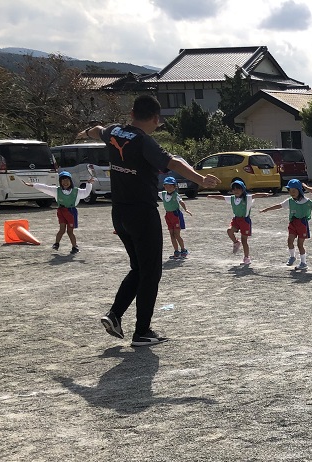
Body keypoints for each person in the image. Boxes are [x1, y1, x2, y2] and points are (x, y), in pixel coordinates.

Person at [79, 94, 218, 346]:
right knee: (151, 272)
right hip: (142, 213)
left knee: (139, 268)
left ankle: (114, 315)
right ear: (156, 119)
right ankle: (142, 332)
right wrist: (200, 179)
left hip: (119, 213)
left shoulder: (114, 131)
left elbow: (98, 130)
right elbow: (173, 162)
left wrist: (85, 132)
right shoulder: (144, 141)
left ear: (132, 113)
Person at [24, 169, 95, 254]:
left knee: (70, 231)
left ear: (70, 181)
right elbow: (45, 188)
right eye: (63, 180)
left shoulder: (77, 191)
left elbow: (86, 193)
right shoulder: (56, 190)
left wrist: (89, 184)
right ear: (60, 182)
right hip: (61, 211)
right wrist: (33, 185)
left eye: (67, 180)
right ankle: (56, 244)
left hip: (71, 212)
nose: (65, 182)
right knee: (61, 230)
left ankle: (74, 247)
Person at [259, 179, 312, 270]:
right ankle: (292, 256)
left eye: (294, 191)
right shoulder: (290, 201)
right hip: (293, 223)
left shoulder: (307, 201)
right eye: (290, 191)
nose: (291, 193)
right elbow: (279, 205)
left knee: (300, 244)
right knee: (289, 241)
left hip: (302, 224)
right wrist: (266, 209)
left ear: (299, 190)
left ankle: (303, 263)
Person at [160, 177, 192, 260]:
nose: (168, 187)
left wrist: (186, 209)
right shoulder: (163, 194)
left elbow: (181, 201)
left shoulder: (176, 195)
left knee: (177, 234)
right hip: (168, 215)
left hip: (175, 215)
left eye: (170, 186)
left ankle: (183, 250)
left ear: (175, 187)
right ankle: (176, 251)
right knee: (171, 234)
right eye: (166, 186)